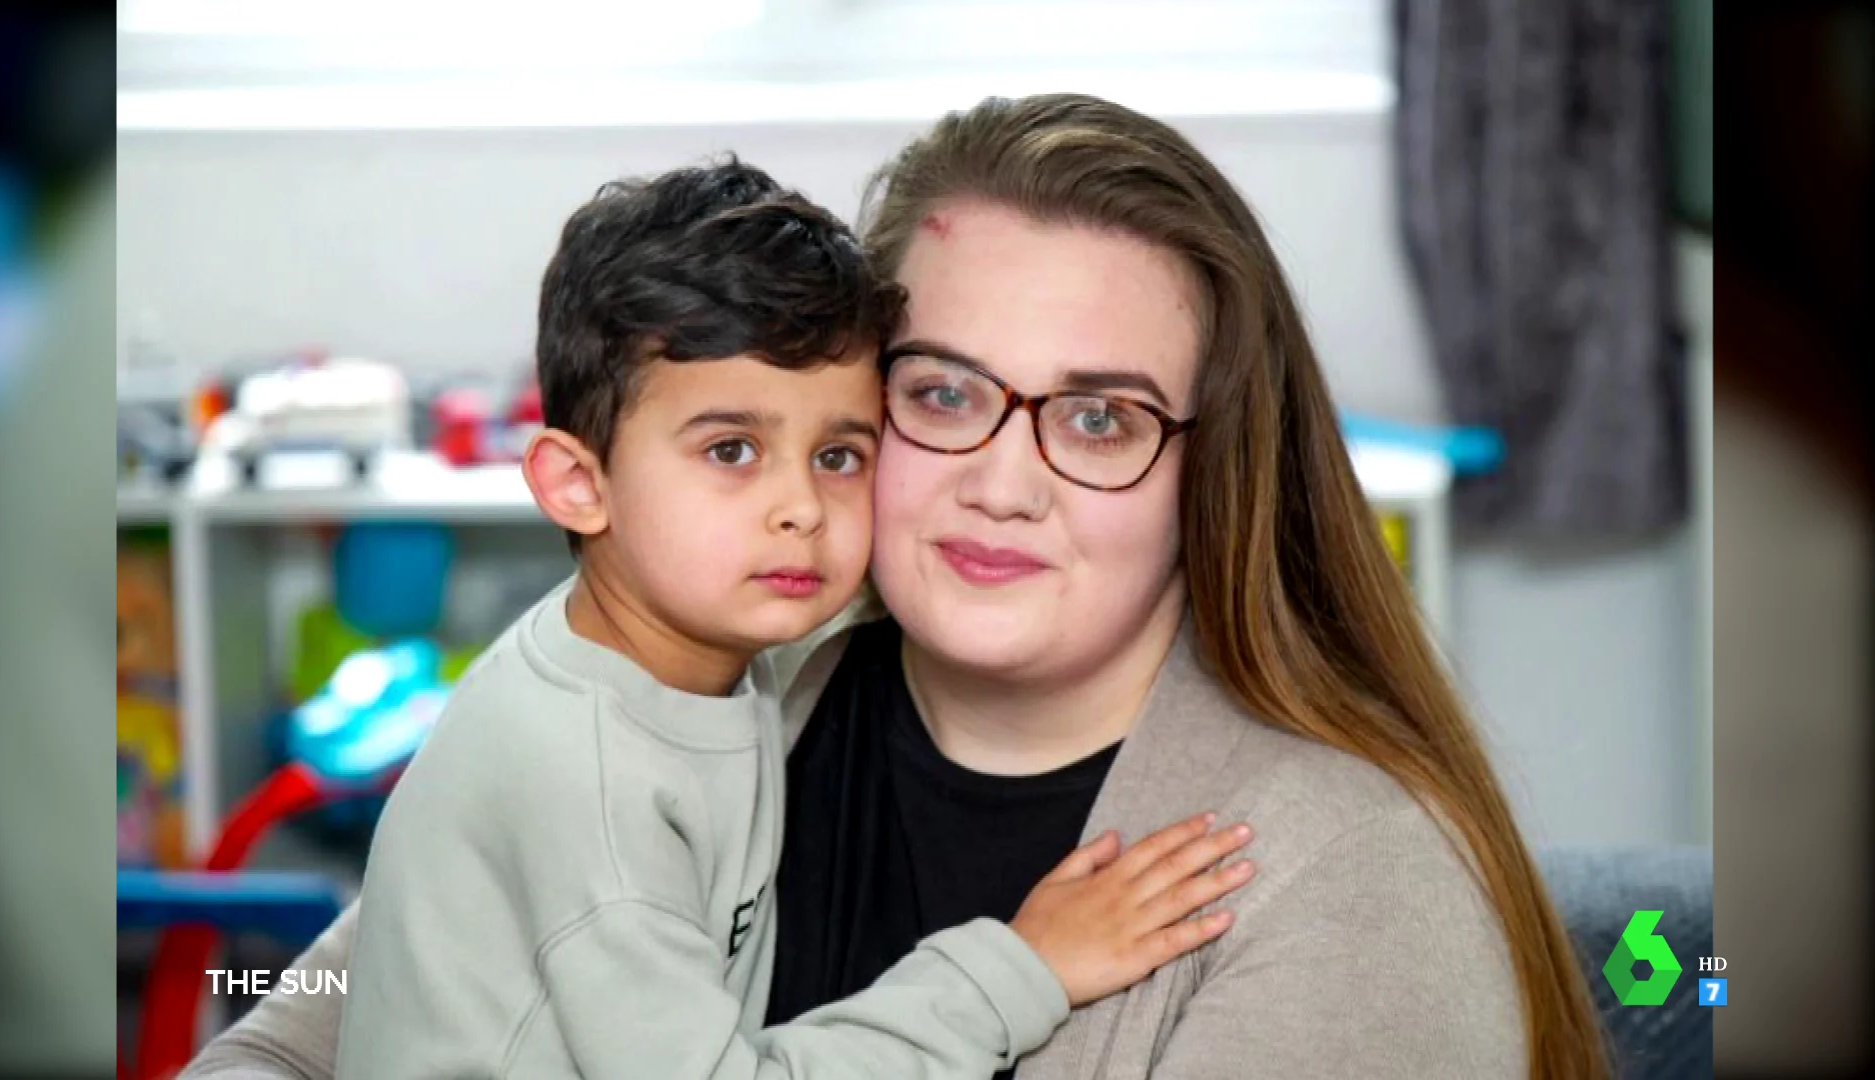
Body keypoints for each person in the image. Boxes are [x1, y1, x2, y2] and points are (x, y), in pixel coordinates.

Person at [184, 94, 1609, 1080]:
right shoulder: (702, 688)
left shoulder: (1351, 885)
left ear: (1215, 471)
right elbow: (326, 1005)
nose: (1005, 477)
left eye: (1099, 417)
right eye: (944, 394)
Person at [328, 159, 1253, 1080]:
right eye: (732, 449)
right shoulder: (588, 787)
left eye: (841, 455)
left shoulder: (704, 650)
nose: (801, 508)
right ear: (578, 485)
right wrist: (1023, 969)